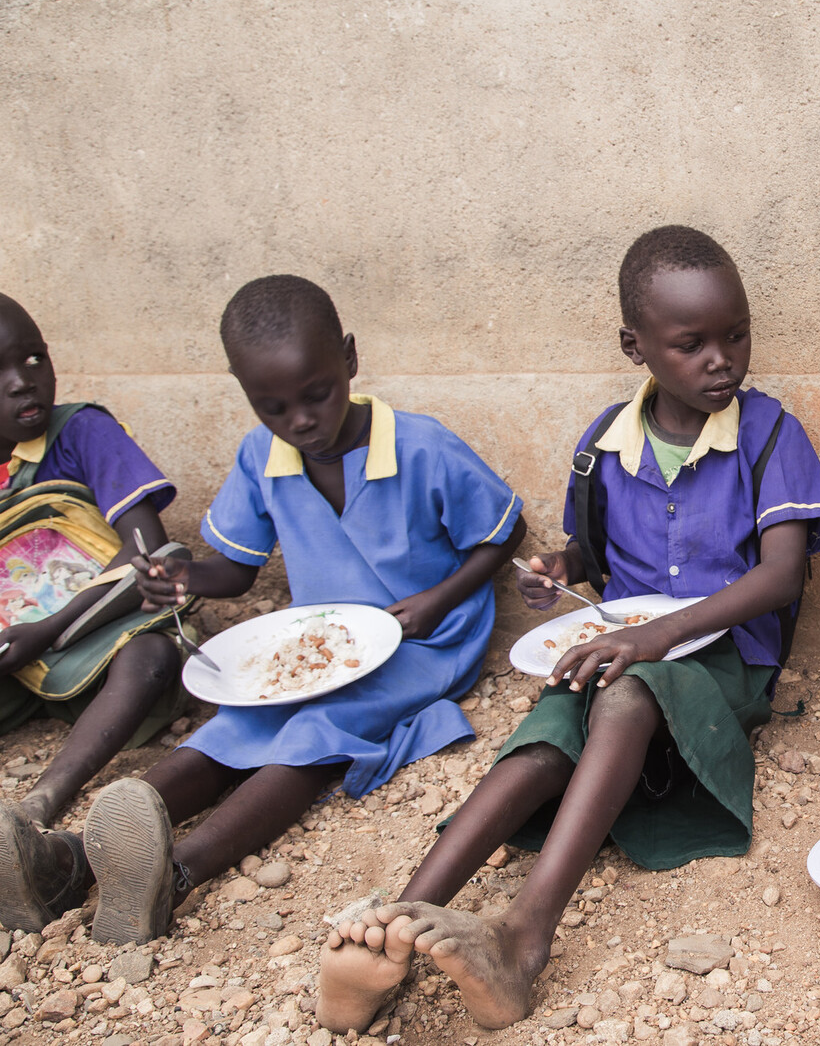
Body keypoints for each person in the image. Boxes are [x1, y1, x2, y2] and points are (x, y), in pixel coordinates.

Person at [315, 226, 820, 1032]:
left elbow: (779, 575)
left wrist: (654, 639)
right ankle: (400, 918)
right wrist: (559, 571)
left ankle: (524, 939)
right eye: (691, 343)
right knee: (549, 727)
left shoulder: (770, 435)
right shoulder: (603, 444)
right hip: (624, 643)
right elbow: (595, 557)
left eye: (735, 334)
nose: (722, 359)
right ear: (636, 347)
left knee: (625, 693)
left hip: (725, 662)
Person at [0, 275, 526, 946]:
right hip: (323, 645)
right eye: (272, 406)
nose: (300, 420)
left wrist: (437, 599)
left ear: (350, 359)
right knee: (235, 724)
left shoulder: (421, 445)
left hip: (425, 645)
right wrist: (181, 575)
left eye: (316, 394)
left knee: (314, 733)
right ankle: (71, 859)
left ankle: (178, 874)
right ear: (246, 395)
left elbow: (502, 530)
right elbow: (238, 569)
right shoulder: (262, 455)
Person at [0, 294, 193, 931]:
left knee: (154, 651)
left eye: (34, 357)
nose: (23, 379)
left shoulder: (82, 432)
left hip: (104, 623)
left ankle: (41, 802)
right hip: (20, 659)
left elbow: (148, 552)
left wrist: (49, 630)